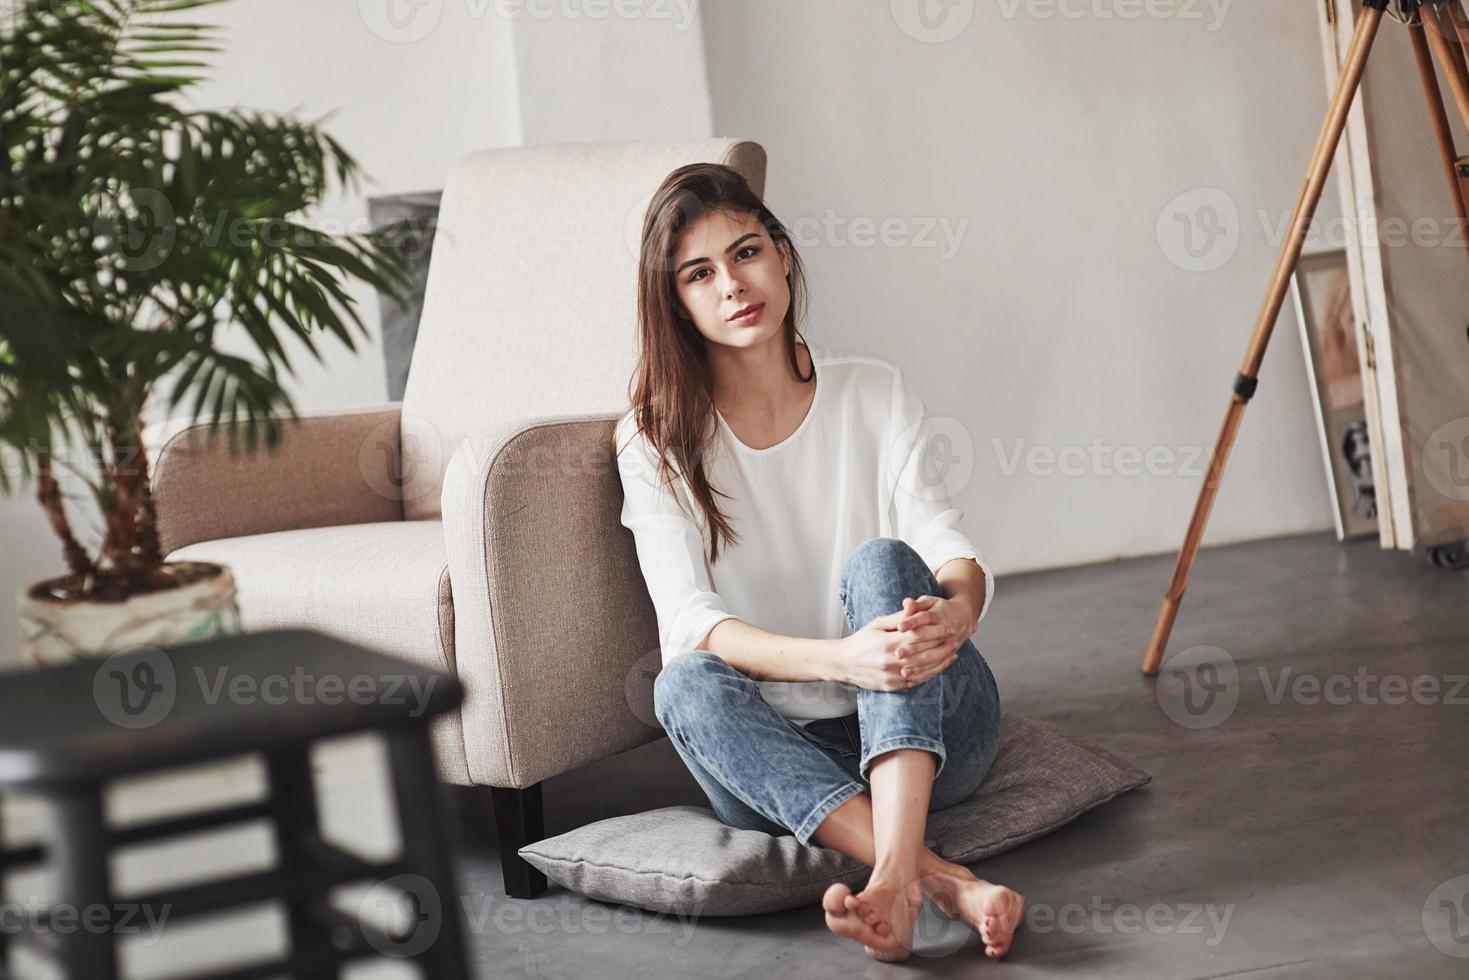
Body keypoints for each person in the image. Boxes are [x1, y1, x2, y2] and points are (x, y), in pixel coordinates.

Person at [612, 163, 1023, 961]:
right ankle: (935, 880)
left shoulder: (872, 389)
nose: (733, 285)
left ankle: (897, 873)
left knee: (883, 561)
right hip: (780, 760)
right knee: (681, 683)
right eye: (700, 274)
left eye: (746, 252)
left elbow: (944, 542)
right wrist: (842, 660)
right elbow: (689, 621)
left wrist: (958, 612)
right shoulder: (652, 437)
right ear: (677, 303)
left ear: (783, 257)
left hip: (934, 732)